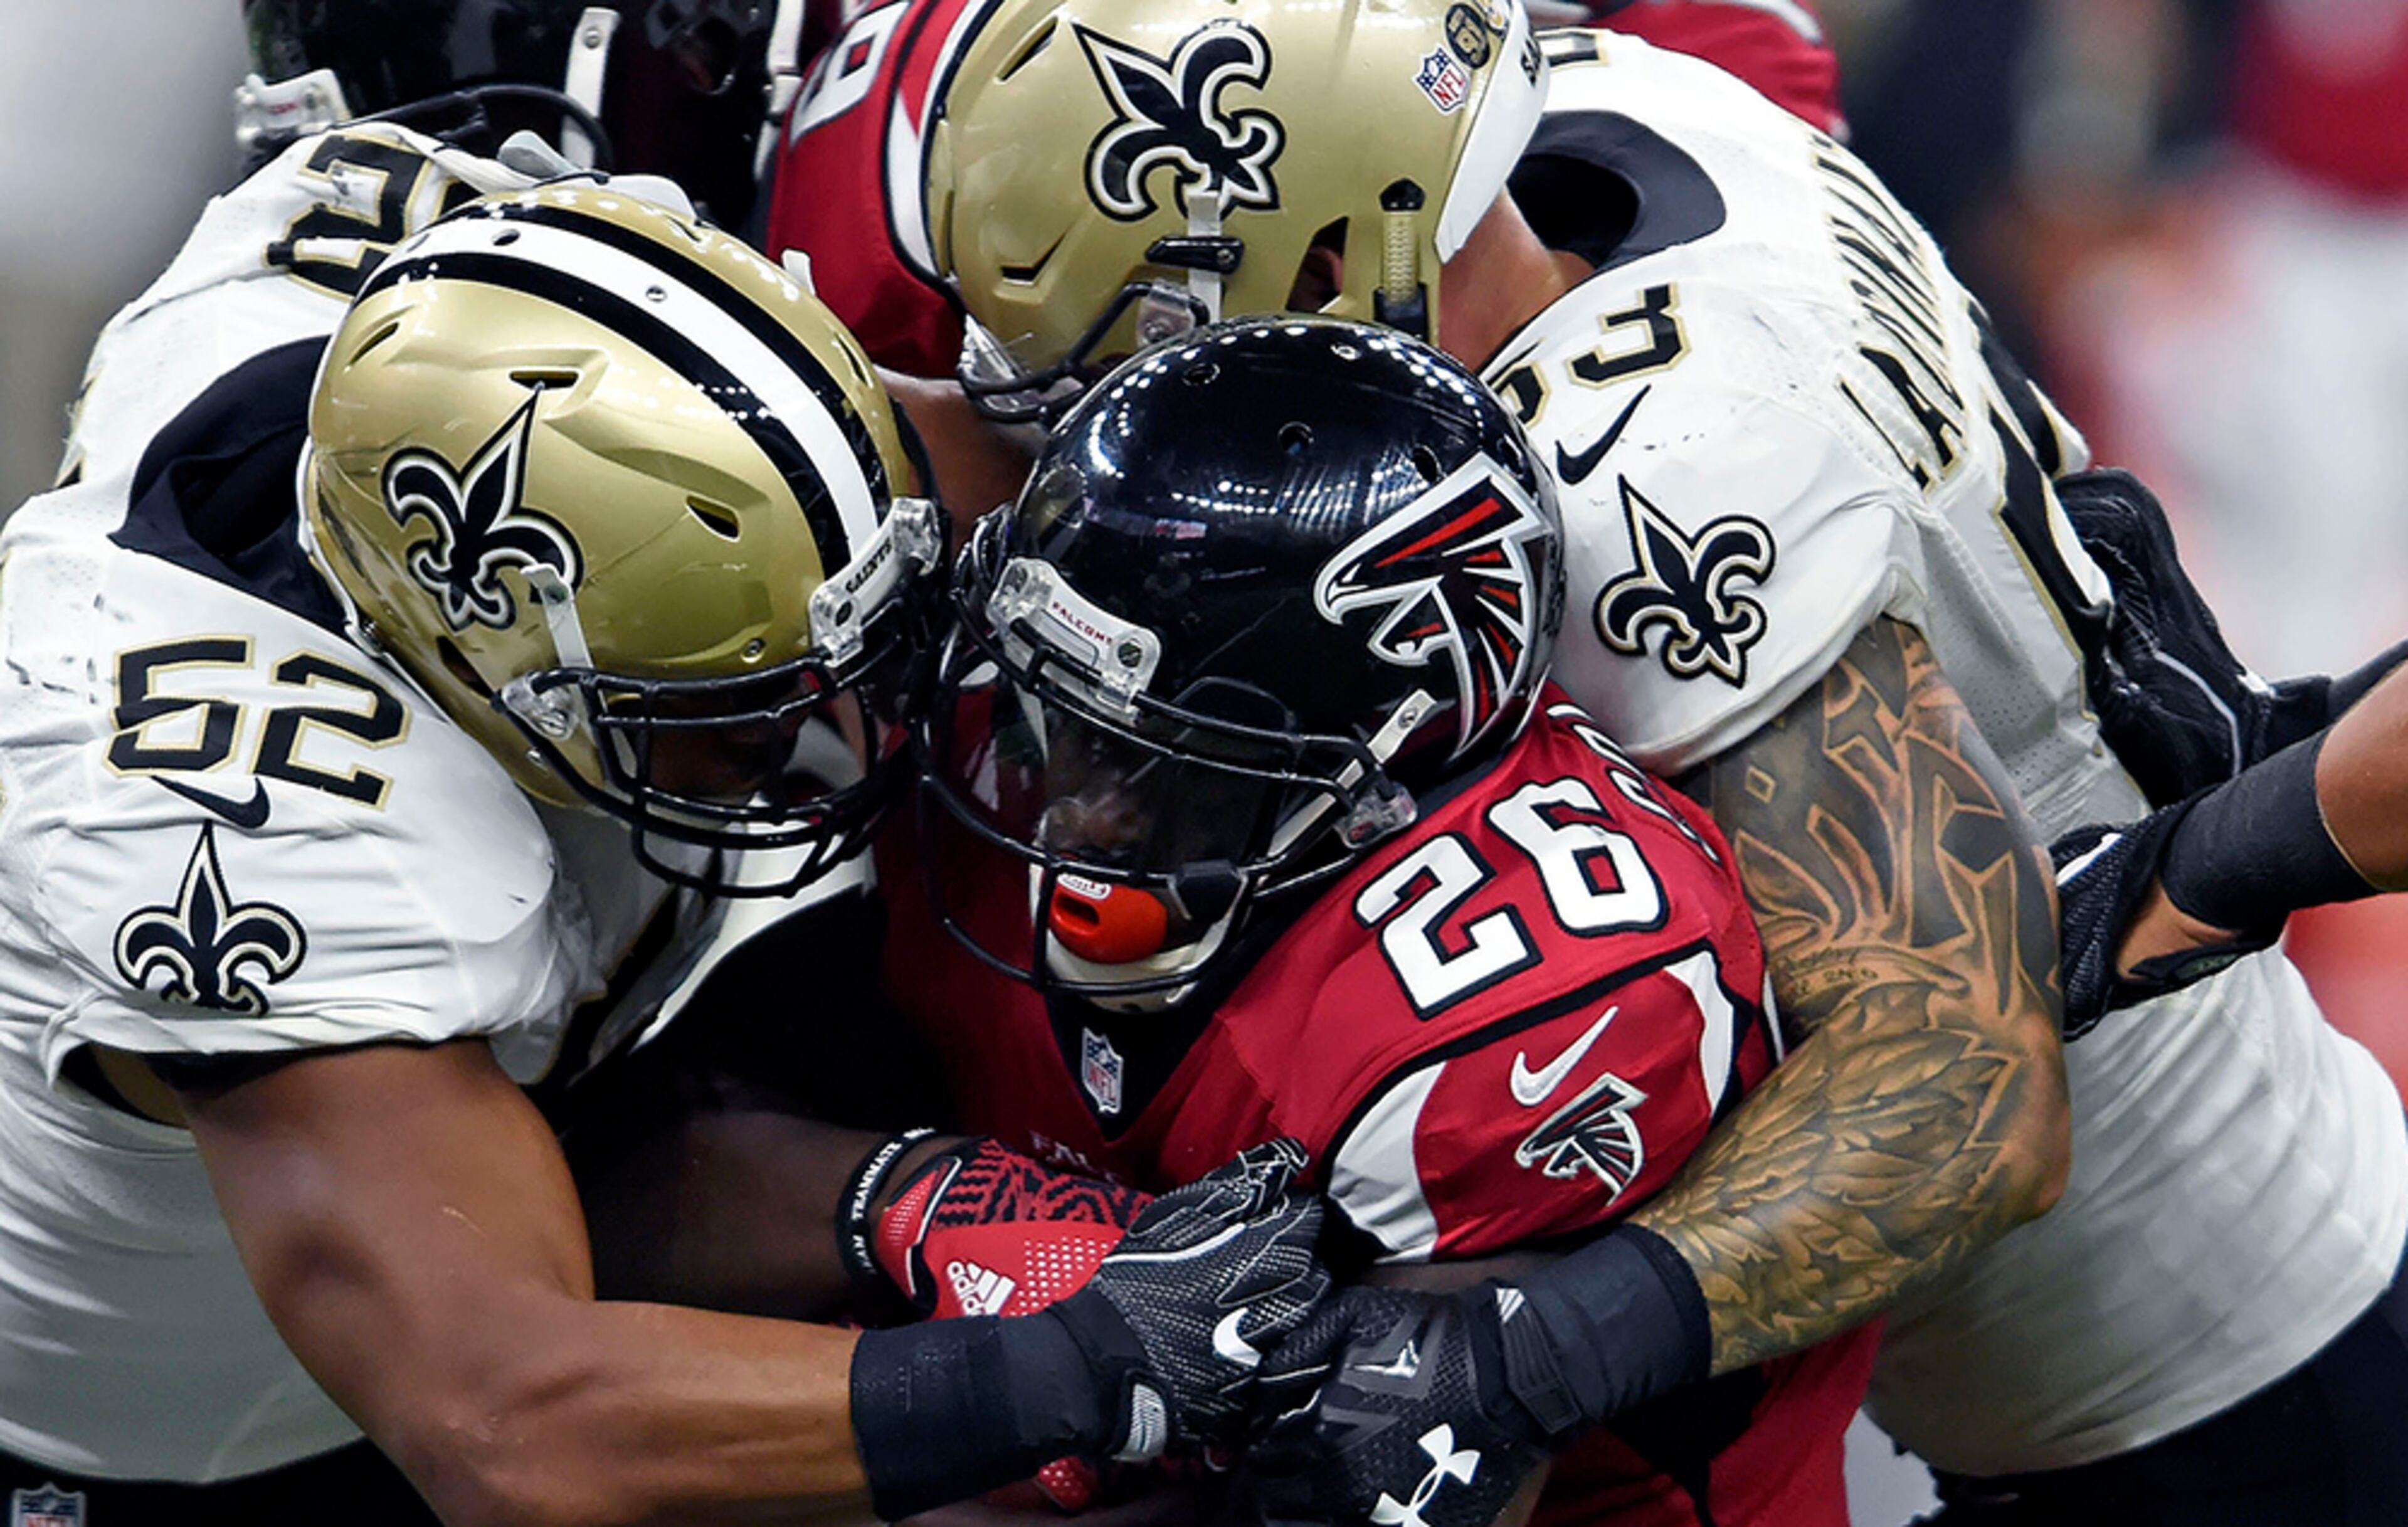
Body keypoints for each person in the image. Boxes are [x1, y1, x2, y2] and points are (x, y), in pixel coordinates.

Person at [918, 4, 2408, 1521]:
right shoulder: (1600, 123)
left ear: (1318, 270)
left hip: (2198, 1372)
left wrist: (1525, 1358)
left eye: (1142, 356)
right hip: (2120, 1288)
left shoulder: (1649, 487)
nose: (1099, 423)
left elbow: (1965, 1086)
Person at [0, 36, 1333, 1527]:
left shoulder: (458, 312)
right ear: (504, 669)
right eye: (741, 704)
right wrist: (1080, 1369)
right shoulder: (240, 828)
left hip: (526, 1137)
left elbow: (872, 449)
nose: (821, 725)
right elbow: (510, 1426)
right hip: (174, 1433)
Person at [875, 313, 1875, 1526]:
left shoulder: (1533, 1003)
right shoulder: (1014, 768)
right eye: (1062, 719)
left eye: (1160, 761)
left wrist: (988, 1403)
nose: (1075, 811)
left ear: (1381, 756)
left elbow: (1361, 1490)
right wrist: (916, 1193)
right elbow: (678, 1141)